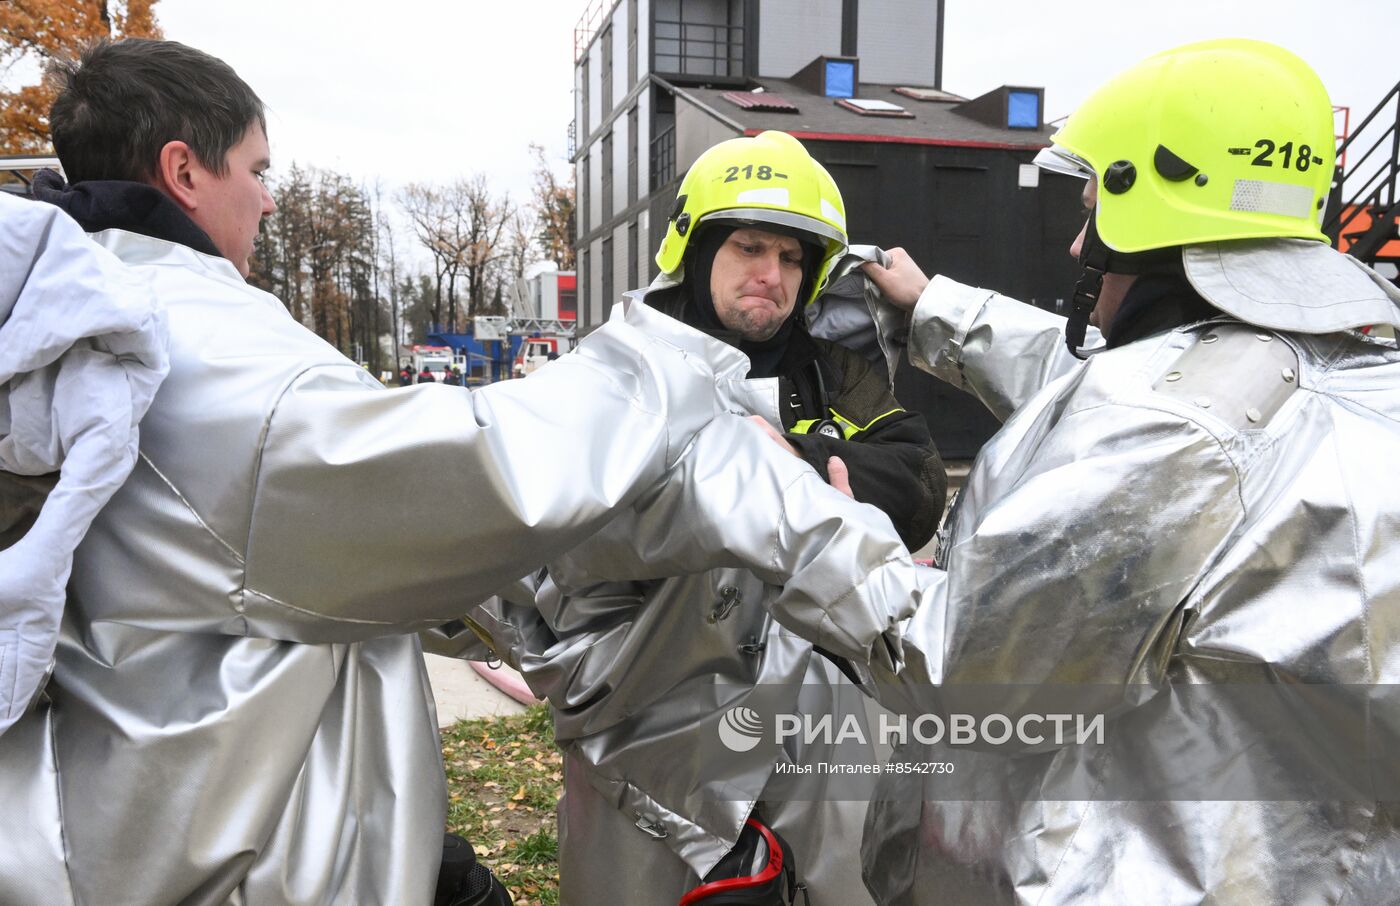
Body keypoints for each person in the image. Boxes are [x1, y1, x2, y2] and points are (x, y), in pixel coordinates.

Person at [0, 39, 916, 906]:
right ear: (183, 171)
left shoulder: (85, 327)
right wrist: (672, 389)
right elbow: (465, 479)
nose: (270, 201)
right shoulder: (205, 360)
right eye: (259, 170)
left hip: (173, 808)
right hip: (239, 842)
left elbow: (909, 478)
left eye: (792, 256)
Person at [787, 38, 1400, 904]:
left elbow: (957, 669)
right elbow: (1133, 396)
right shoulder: (1355, 380)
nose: (1078, 247)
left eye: (1091, 212)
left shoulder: (1165, 432)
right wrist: (937, 308)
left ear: (1145, 209)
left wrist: (829, 541)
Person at [477, 131, 945, 904]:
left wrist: (791, 460)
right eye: (750, 248)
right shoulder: (618, 370)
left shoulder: (832, 373)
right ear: (695, 251)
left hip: (823, 718)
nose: (773, 274)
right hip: (656, 726)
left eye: (793, 258)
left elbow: (917, 475)